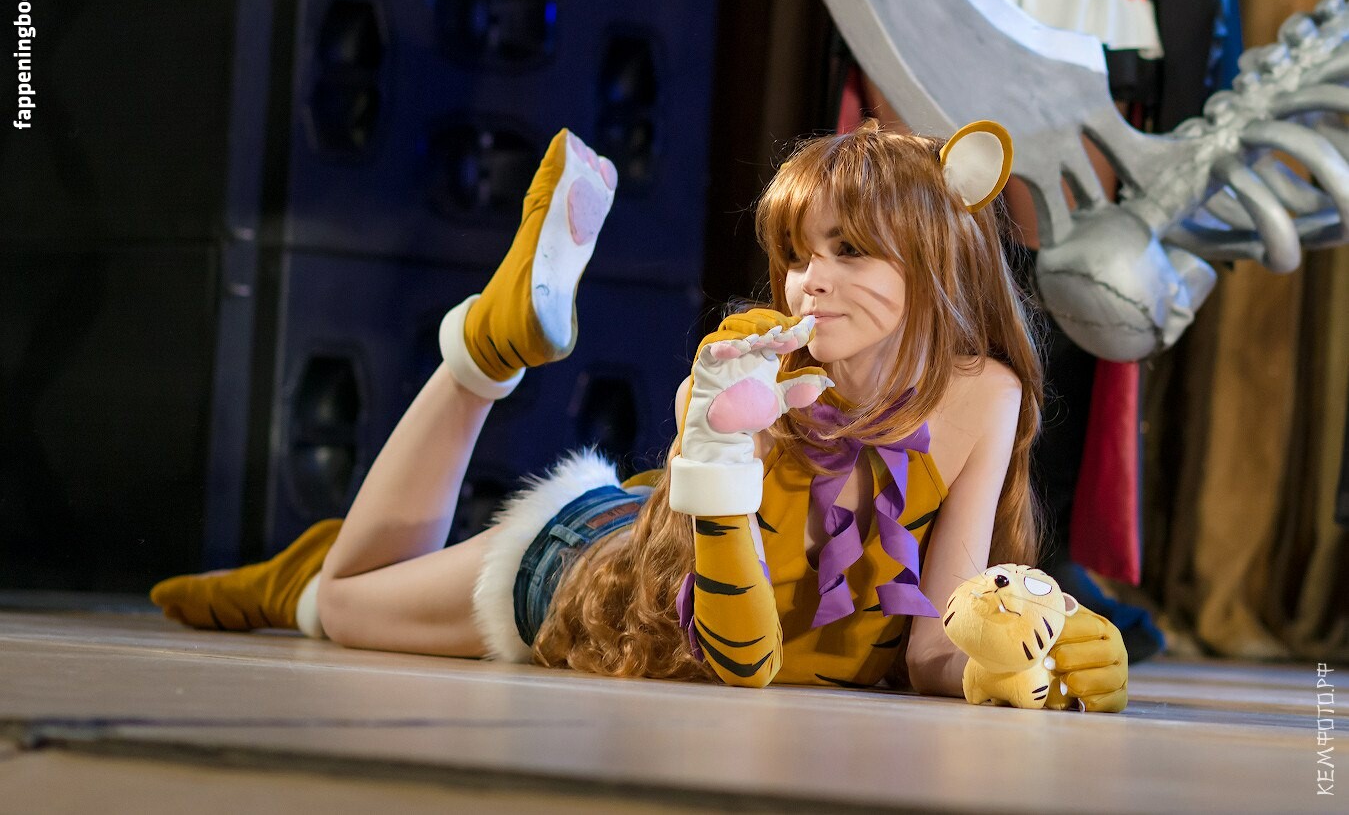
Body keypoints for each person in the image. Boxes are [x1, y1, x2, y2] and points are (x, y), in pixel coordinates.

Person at [151, 122, 1128, 710]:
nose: (808, 281)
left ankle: (305, 558)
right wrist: (722, 437)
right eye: (797, 254)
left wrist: (1017, 667)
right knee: (343, 604)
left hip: (640, 538)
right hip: (601, 589)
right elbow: (734, 649)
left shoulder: (985, 393)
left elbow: (930, 639)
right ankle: (484, 352)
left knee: (346, 584)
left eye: (848, 251)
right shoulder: (748, 362)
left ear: (933, 259)